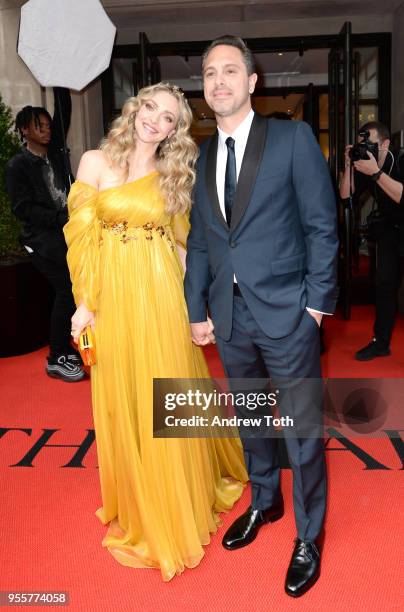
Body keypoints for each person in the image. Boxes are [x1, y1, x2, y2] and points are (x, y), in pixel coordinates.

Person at [63, 82, 248, 581]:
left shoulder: (173, 174)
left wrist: (200, 306)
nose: (156, 122)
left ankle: (177, 497)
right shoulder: (94, 163)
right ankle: (144, 500)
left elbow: (185, 245)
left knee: (169, 393)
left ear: (175, 131)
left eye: (169, 118)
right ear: (135, 109)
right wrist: (85, 305)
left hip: (162, 294)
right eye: (152, 109)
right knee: (127, 396)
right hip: (114, 299)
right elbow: (80, 241)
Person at [184, 36, 338, 597]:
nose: (218, 80)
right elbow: (204, 241)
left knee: (302, 430)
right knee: (251, 421)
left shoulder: (293, 139)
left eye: (230, 71)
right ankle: (264, 502)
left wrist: (317, 306)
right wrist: (196, 307)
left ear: (253, 82)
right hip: (229, 318)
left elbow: (322, 227)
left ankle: (309, 535)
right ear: (203, 88)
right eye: (208, 73)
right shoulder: (203, 157)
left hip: (289, 314)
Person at [6, 89, 85, 382]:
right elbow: (22, 208)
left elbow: (63, 111)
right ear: (25, 130)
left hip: (68, 235)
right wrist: (61, 217)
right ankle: (56, 356)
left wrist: (59, 83)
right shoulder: (18, 166)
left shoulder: (56, 154)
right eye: (39, 126)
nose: (47, 130)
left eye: (48, 125)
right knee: (66, 291)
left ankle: (66, 348)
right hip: (41, 241)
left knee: (74, 292)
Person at [339, 121, 404, 360]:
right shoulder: (368, 166)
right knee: (384, 286)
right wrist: (349, 165)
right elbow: (346, 196)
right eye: (361, 144)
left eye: (370, 144)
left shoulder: (400, 161)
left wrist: (376, 173)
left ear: (386, 144)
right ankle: (381, 343)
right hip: (389, 230)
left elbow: (401, 196)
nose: (365, 148)